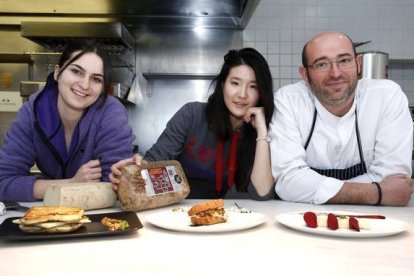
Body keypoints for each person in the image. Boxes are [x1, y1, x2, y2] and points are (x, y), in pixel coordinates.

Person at [110, 48, 275, 199]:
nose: (242, 94)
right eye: (235, 83)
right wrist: (135, 168)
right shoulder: (192, 114)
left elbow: (262, 193)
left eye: (253, 86)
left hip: (234, 218)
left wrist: (262, 133)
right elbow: (155, 160)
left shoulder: (261, 131)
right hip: (181, 213)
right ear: (223, 84)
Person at [270, 31, 413, 206]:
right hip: (303, 217)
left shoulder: (387, 97)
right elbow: (287, 180)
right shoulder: (288, 100)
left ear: (358, 64)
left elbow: (394, 179)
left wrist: (310, 186)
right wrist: (377, 192)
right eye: (321, 64)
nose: (335, 74)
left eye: (344, 61)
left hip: (372, 219)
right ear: (305, 74)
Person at [0, 40, 135, 202]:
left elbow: (116, 187)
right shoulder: (33, 111)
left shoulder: (111, 113)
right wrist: (71, 184)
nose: (85, 85)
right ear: (57, 73)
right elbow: (3, 182)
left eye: (96, 79)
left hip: (99, 216)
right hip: (47, 214)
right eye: (76, 71)